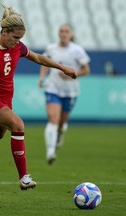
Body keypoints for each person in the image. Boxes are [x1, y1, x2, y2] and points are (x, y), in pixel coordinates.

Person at [0, 4, 77, 190]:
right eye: (15, 37)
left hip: (6, 98)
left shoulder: (17, 46)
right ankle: (24, 177)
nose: (17, 42)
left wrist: (63, 67)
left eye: (20, 39)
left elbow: (39, 58)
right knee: (18, 125)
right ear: (4, 31)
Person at [38, 24, 90, 165]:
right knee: (53, 119)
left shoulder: (77, 50)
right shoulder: (51, 48)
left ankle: (60, 132)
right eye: (61, 31)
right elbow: (44, 62)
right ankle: (50, 152)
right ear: (58, 33)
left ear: (71, 34)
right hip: (53, 87)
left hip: (70, 91)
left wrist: (72, 73)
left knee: (61, 123)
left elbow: (86, 70)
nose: (63, 34)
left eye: (66, 31)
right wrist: (42, 77)